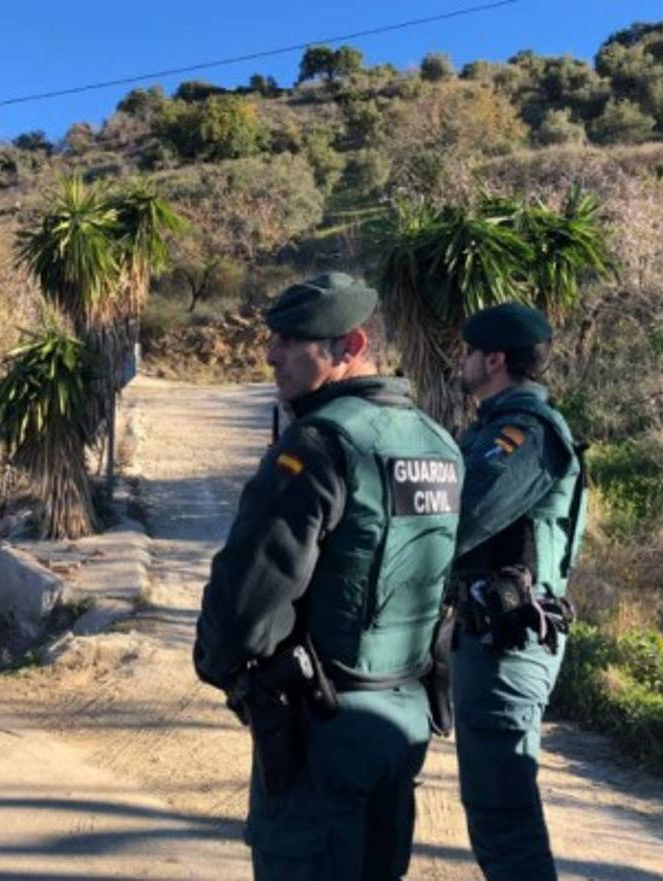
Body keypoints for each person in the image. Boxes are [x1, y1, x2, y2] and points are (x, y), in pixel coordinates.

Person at [194, 272, 463, 881]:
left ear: (351, 347)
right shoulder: (439, 445)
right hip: (403, 720)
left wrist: (221, 666)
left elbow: (248, 597)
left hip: (321, 726)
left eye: (291, 341)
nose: (271, 355)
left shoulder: (318, 445)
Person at [450, 303, 588, 881]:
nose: (460, 361)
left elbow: (462, 517)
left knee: (504, 816)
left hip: (508, 641)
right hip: (492, 639)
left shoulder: (525, 434)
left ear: (495, 360)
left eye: (468, 351)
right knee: (495, 808)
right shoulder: (498, 427)